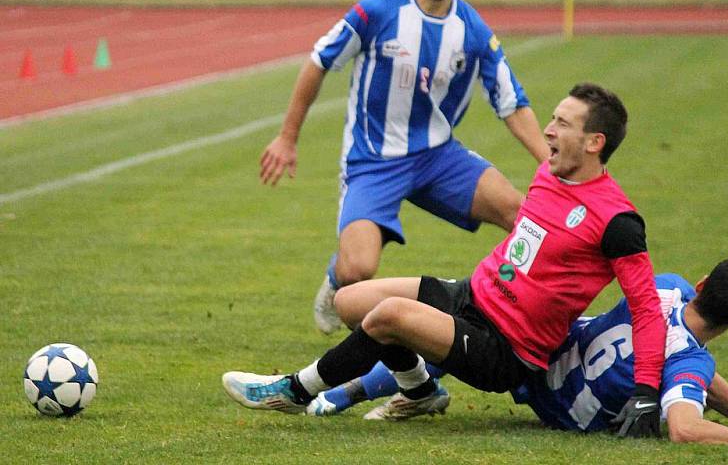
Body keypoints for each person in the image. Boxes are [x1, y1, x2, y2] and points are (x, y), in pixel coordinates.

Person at [225, 83, 667, 438]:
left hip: (505, 347)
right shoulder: (548, 174)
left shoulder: (617, 222)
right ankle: (419, 392)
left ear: (595, 142)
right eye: (552, 118)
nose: (549, 131)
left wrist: (647, 394)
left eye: (563, 124)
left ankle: (293, 391)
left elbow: (646, 309)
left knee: (390, 315)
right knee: (349, 302)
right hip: (470, 296)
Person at [259, 0, 550, 334]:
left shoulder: (474, 32)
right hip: (373, 160)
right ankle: (336, 276)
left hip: (438, 157)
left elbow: (511, 104)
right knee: (359, 268)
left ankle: (512, 314)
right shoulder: (377, 12)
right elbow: (319, 61)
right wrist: (288, 137)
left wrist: (552, 167)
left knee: (525, 218)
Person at [305, 258, 728, 445]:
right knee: (446, 337)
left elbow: (687, 371)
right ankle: (344, 394)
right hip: (557, 397)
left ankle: (337, 394)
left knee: (444, 334)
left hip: (553, 347)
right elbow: (686, 426)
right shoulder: (689, 364)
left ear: (703, 283)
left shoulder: (666, 287)